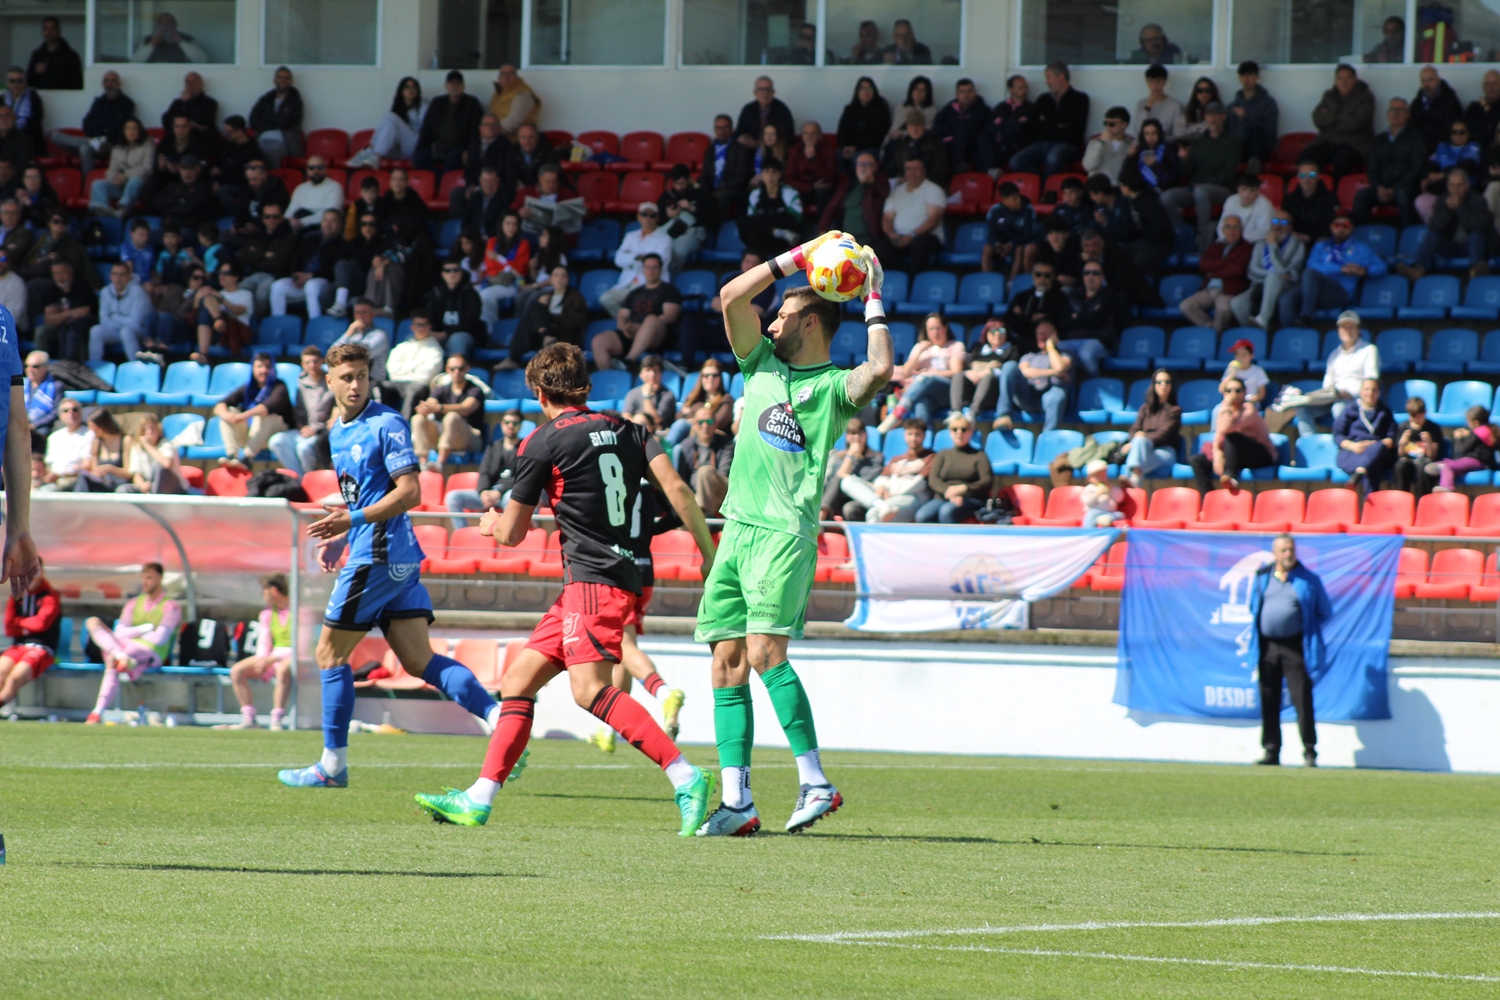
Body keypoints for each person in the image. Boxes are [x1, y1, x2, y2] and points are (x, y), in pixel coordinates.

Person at [413, 343, 717, 833]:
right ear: (586, 387)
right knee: (517, 683)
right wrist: (708, 552)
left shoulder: (542, 441)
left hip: (592, 582)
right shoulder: (631, 430)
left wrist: (489, 524)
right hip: (602, 580)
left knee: (591, 690)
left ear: (537, 391)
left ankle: (685, 775)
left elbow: (511, 533)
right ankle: (480, 797)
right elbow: (679, 491)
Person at [689, 231, 891, 836]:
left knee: (763, 653)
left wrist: (873, 296)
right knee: (726, 662)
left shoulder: (833, 389)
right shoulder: (759, 364)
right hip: (737, 531)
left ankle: (816, 782)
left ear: (811, 323)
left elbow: (880, 366)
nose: (772, 321)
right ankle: (738, 803)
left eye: (784, 314)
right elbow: (729, 296)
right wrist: (796, 259)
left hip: (784, 532)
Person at [279, 342, 502, 788]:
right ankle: (504, 723)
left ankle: (332, 767)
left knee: (329, 653)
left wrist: (353, 521)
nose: (356, 384)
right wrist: (342, 531)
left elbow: (410, 493)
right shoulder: (338, 431)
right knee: (421, 660)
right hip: (390, 555)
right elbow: (361, 495)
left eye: (361, 375)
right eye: (346, 377)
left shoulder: (387, 423)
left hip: (379, 555)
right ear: (329, 381)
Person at [1249, 535, 1332, 767]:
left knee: (1302, 699)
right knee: (1269, 698)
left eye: (1291, 550)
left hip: (1295, 646)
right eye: (1283, 550)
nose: (1288, 554)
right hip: (1267, 647)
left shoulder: (1308, 580)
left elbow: (1324, 611)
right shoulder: (1261, 577)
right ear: (1274, 553)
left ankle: (1309, 751)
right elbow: (1253, 607)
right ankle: (1271, 750)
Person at [82, 563, 180, 724]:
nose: (145, 582)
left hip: (151, 652)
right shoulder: (134, 603)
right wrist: (145, 628)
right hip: (125, 648)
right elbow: (119, 631)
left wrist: (131, 634)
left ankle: (97, 711)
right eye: (143, 577)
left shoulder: (171, 606)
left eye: (149, 577)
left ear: (160, 578)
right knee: (92, 622)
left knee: (113, 659)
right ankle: (123, 657)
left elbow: (160, 638)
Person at [1268, 310, 1379, 437]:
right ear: (1338, 331)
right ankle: (1312, 445)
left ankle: (1343, 446)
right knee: (1303, 409)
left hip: (1356, 399)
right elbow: (1328, 383)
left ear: (1358, 330)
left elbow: (1372, 381)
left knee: (1339, 409)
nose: (1347, 331)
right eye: (1344, 327)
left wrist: (1351, 393)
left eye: (1351, 327)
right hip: (1333, 397)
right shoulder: (1334, 354)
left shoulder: (1369, 350)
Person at [1276, 214, 1384, 328]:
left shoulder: (1361, 248)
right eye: (1337, 225)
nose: (1341, 228)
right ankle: (1290, 334)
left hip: (1340, 292)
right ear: (1332, 227)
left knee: (1309, 275)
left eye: (1345, 225)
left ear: (1352, 228)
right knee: (1286, 298)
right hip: (1313, 289)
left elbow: (1381, 266)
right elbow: (1311, 266)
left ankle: (1307, 316)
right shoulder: (1321, 246)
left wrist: (1365, 270)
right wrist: (1340, 269)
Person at [219, 573, 297, 731]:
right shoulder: (267, 613)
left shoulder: (298, 609)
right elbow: (265, 640)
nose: (263, 594)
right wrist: (262, 659)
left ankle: (277, 719)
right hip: (274, 656)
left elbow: (302, 644)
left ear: (274, 590)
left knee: (282, 670)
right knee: (237, 671)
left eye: (264, 590)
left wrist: (272, 659)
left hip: (296, 656)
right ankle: (249, 718)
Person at [1162, 101, 1240, 250]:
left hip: (1222, 189)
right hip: (1196, 188)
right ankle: (1185, 234)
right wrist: (1184, 159)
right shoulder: (1199, 142)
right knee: (1167, 197)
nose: (1212, 119)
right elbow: (1187, 172)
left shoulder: (1232, 141)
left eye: (1216, 115)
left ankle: (1203, 239)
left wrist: (1202, 184)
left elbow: (1228, 174)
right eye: (1209, 115)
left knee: (1201, 191)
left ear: (1223, 116)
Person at [592, 253, 682, 372]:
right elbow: (622, 315)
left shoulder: (669, 290)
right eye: (647, 267)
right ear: (643, 269)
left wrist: (642, 327)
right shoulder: (635, 292)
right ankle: (609, 376)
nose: (651, 271)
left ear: (660, 269)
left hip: (656, 336)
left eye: (654, 267)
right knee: (599, 341)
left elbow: (670, 316)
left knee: (651, 319)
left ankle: (628, 361)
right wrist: (625, 329)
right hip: (632, 334)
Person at [877, 313, 966, 431]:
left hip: (947, 391)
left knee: (926, 377)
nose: (935, 332)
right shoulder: (921, 347)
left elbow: (956, 372)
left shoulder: (955, 346)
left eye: (938, 328)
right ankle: (926, 440)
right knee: (921, 406)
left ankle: (898, 412)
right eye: (931, 329)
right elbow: (906, 373)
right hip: (925, 393)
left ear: (946, 328)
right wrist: (918, 352)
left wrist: (932, 373)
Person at [1402, 168, 1492, 281]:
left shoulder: (1478, 200)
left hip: (1471, 247)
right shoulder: (1442, 199)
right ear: (1448, 187)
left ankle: (1475, 271)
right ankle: (1417, 270)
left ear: (1467, 186)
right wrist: (1447, 210)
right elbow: (1434, 226)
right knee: (1432, 235)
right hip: (1450, 246)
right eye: (1452, 185)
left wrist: (1460, 208)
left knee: (1476, 235)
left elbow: (1478, 227)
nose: (1455, 189)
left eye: (1459, 185)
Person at [841, 418, 934, 523]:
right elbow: (882, 478)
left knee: (874, 512)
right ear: (905, 435)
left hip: (910, 498)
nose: (913, 438)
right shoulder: (897, 459)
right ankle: (880, 504)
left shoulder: (930, 458)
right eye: (910, 434)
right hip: (887, 497)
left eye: (917, 434)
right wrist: (882, 487)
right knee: (847, 481)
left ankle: (879, 513)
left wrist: (893, 493)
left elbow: (919, 483)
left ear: (924, 436)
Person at [1190, 378, 1275, 492]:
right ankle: (1208, 498)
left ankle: (1230, 476)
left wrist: (1227, 404)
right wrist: (1217, 452)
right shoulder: (1222, 411)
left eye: (1237, 390)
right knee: (1197, 460)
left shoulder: (1249, 410)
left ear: (1244, 393)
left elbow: (1228, 429)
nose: (1233, 394)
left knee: (1232, 436)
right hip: (1234, 456)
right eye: (1229, 391)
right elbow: (1218, 433)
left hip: (1260, 454)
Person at [215, 351, 294, 470]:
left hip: (274, 436)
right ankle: (232, 456)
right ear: (253, 368)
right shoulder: (248, 387)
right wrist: (227, 415)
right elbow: (220, 405)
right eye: (259, 366)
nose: (264, 371)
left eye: (268, 367)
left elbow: (265, 409)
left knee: (263, 415)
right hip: (252, 435)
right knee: (229, 411)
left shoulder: (280, 386)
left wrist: (242, 416)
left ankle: (247, 459)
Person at [445, 409, 524, 529]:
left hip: (507, 493)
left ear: (520, 426)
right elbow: (484, 472)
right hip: (489, 493)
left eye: (515, 423)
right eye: (507, 422)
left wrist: (499, 492)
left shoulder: (525, 448)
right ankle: (462, 534)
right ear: (502, 424)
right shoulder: (493, 447)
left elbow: (522, 477)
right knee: (453, 497)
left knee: (512, 497)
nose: (510, 426)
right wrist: (483, 492)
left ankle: (506, 535)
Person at [0, 558, 61, 710]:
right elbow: (9, 627)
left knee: (14, 678)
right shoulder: (17, 596)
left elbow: (41, 625)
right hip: (18, 647)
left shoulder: (50, 597)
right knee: (1, 672)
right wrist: (28, 624)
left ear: (42, 572)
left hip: (42, 648)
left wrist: (20, 622)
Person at [1354, 98, 1424, 227]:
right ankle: (1359, 238)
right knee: (1362, 195)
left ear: (1408, 115)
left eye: (1400, 110)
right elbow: (1372, 168)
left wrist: (1394, 189)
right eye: (1392, 109)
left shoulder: (1416, 137)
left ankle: (1407, 237)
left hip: (1406, 187)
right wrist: (1379, 187)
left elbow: (1416, 169)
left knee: (1402, 195)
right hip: (1383, 189)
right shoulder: (1379, 139)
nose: (1395, 113)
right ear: (1387, 114)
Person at [1010, 62, 1088, 178]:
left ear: (1060, 77)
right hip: (1042, 143)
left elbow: (1075, 127)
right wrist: (1057, 123)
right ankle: (1043, 186)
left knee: (1053, 158)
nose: (1046, 82)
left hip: (1068, 145)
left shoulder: (1080, 99)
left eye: (1048, 77)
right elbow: (1033, 124)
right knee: (1015, 161)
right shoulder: (1043, 99)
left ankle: (1048, 192)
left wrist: (1046, 119)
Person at [995, 318, 1072, 433]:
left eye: (1046, 333)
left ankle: (1048, 437)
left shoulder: (1065, 354)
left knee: (1057, 396)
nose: (1042, 336)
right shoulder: (1029, 356)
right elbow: (1024, 371)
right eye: (1039, 333)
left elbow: (1060, 367)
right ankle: (1003, 415)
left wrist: (1050, 346)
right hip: (1028, 395)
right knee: (1009, 366)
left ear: (1054, 334)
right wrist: (1052, 372)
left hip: (1049, 397)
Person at [1231, 209, 1303, 330]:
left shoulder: (1296, 244)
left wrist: (1272, 245)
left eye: (1284, 222)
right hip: (1259, 286)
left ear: (1290, 227)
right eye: (1275, 221)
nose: (1278, 225)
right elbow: (1251, 271)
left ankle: (1263, 320)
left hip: (1286, 286)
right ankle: (1255, 332)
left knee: (1274, 277)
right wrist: (1271, 275)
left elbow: (1282, 269)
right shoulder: (1260, 244)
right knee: (1236, 303)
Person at [1180, 214, 1251, 333]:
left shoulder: (1247, 247)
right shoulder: (1216, 246)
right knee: (1186, 306)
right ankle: (1211, 330)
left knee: (1223, 308)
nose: (1231, 231)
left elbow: (1237, 269)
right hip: (1209, 289)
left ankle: (1216, 338)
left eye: (1235, 227)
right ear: (1223, 230)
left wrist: (1213, 273)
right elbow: (1204, 265)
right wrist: (1227, 262)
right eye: (1228, 227)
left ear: (1242, 230)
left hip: (1229, 290)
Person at [598, 203, 673, 316]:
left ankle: (636, 327)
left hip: (649, 285)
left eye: (652, 215)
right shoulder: (630, 236)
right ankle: (628, 326)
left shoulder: (665, 239)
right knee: (606, 299)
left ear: (657, 218)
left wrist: (631, 256)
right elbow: (618, 260)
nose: (648, 218)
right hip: (627, 283)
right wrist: (637, 257)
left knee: (639, 306)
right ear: (638, 216)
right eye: (644, 214)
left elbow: (657, 262)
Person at [269, 345, 333, 476]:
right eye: (308, 362)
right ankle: (301, 479)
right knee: (277, 441)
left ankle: (308, 480)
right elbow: (298, 412)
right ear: (303, 364)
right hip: (303, 430)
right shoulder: (300, 385)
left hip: (322, 433)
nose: (312, 365)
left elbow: (333, 414)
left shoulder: (331, 384)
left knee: (303, 449)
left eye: (315, 361)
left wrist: (315, 430)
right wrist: (303, 427)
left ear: (322, 361)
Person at [411, 354, 484, 469]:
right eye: (452, 369)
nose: (456, 372)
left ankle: (440, 464)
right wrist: (425, 408)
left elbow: (465, 408)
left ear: (467, 368)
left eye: (460, 368)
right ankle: (423, 463)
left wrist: (439, 408)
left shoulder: (475, 390)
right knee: (417, 419)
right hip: (444, 435)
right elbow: (431, 403)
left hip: (470, 437)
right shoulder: (441, 389)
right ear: (447, 370)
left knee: (452, 417)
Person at [1303, 64, 1376, 178]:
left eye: (1348, 78)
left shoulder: (1365, 97)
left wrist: (1330, 118)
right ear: (1335, 80)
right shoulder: (1329, 95)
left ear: (1355, 80)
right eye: (1340, 78)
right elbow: (1317, 119)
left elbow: (1355, 124)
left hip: (1354, 145)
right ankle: (1317, 183)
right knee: (1305, 158)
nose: (1344, 82)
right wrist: (1344, 117)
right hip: (1328, 141)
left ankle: (1338, 191)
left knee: (1341, 162)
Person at [506, 264, 585, 366]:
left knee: (536, 308)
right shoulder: (546, 297)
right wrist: (541, 307)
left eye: (563, 276)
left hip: (563, 335)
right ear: (551, 279)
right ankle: (545, 334)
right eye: (556, 275)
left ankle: (513, 358)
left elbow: (575, 320)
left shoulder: (575, 296)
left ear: (567, 279)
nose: (559, 278)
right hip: (544, 337)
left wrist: (549, 316)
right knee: (534, 307)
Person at [271, 209, 344, 319]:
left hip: (322, 281)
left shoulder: (343, 245)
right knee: (278, 286)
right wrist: (296, 275)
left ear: (339, 224)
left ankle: (314, 323)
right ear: (321, 222)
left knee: (312, 285)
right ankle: (278, 322)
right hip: (301, 280)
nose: (328, 224)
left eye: (333, 221)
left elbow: (333, 272)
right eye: (325, 220)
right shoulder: (310, 238)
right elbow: (295, 259)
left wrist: (310, 276)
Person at [916, 414, 989, 523]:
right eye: (955, 429)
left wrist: (964, 489)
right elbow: (933, 479)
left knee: (947, 512)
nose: (959, 432)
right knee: (922, 516)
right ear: (950, 432)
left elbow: (986, 481)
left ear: (970, 432)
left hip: (970, 499)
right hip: (944, 497)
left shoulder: (979, 455)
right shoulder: (943, 454)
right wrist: (949, 492)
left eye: (963, 429)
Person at [878, 157, 945, 273]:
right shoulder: (896, 191)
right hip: (899, 237)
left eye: (916, 169)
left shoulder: (934, 190)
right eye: (908, 169)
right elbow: (887, 218)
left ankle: (914, 280)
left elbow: (934, 219)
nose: (912, 173)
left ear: (924, 171)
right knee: (879, 249)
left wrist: (911, 235)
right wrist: (892, 235)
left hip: (925, 236)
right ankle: (904, 277)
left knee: (920, 245)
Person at [1332, 378, 1396, 493]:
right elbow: (1337, 434)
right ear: (1361, 392)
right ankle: (1363, 470)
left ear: (1379, 393)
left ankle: (1361, 470)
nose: (1370, 393)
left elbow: (1390, 439)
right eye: (1366, 389)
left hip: (1377, 451)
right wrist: (1352, 446)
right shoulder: (1350, 409)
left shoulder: (1385, 411)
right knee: (1372, 467)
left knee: (1377, 451)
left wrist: (1373, 446)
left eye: (1374, 390)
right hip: (1353, 452)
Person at [1120, 369, 1181, 487]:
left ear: (1171, 385)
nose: (1163, 385)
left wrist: (1143, 438)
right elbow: (1134, 430)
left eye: (1167, 382)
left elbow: (1164, 435)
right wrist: (1136, 440)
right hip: (1143, 450)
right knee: (1138, 446)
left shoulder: (1175, 410)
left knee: (1139, 445)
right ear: (1154, 385)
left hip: (1165, 452)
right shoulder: (1145, 408)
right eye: (1159, 382)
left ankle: (1132, 480)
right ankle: (1135, 480)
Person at [1413, 119, 1482, 222]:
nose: (1458, 135)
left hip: (1465, 192)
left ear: (1468, 133)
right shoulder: (1442, 146)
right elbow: (1431, 165)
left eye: (1462, 132)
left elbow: (1468, 167)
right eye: (1454, 132)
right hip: (1443, 192)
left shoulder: (1472, 146)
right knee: (1421, 201)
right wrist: (1425, 178)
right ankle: (1439, 230)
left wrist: (1442, 175)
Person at [348, 76, 427, 166]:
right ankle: (371, 152)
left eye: (413, 87)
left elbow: (425, 131)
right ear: (401, 90)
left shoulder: (423, 106)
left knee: (390, 117)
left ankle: (372, 154)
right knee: (389, 123)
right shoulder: (398, 107)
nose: (411, 90)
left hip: (414, 145)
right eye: (407, 87)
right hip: (398, 150)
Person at [416, 70, 484, 173]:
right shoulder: (437, 102)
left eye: (458, 83)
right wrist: (420, 149)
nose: (454, 86)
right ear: (446, 86)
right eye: (451, 83)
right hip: (438, 146)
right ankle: (440, 180)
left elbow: (476, 132)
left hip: (460, 147)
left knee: (453, 158)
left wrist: (470, 150)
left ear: (463, 86)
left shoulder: (472, 103)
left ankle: (443, 183)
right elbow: (426, 129)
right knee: (418, 158)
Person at [380, 310, 444, 419]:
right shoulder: (401, 347)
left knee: (412, 391)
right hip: (397, 382)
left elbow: (426, 375)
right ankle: (377, 423)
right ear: (412, 327)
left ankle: (403, 428)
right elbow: (392, 369)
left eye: (424, 325)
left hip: (418, 385)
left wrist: (405, 368)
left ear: (430, 327)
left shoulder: (436, 350)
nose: (421, 328)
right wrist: (414, 368)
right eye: (418, 325)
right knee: (379, 386)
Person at [675, 403, 735, 517]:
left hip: (721, 493)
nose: (705, 426)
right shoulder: (685, 446)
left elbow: (724, 474)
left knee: (705, 471)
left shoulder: (726, 444)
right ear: (694, 424)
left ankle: (704, 516)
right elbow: (682, 480)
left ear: (716, 424)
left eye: (710, 422)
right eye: (700, 422)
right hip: (693, 497)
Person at [739, 156, 804, 259]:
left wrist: (767, 221)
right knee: (744, 223)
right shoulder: (755, 194)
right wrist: (773, 228)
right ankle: (776, 233)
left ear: (780, 174)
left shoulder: (790, 193)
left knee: (758, 229)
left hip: (784, 240)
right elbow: (750, 222)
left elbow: (795, 222)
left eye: (774, 172)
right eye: (767, 172)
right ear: (762, 175)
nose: (770, 176)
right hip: (762, 238)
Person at [87, 116, 152, 217]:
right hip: (120, 186)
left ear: (140, 130)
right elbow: (111, 171)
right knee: (97, 184)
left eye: (134, 128)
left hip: (140, 187)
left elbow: (147, 168)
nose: (131, 131)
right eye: (128, 128)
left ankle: (122, 211)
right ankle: (103, 212)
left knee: (135, 180)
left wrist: (125, 175)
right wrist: (115, 178)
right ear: (123, 131)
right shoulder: (117, 149)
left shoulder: (148, 145)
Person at [950, 319, 1017, 417]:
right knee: (959, 375)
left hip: (993, 392)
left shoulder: (1012, 350)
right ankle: (955, 412)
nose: (997, 334)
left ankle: (973, 414)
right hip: (972, 388)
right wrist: (969, 372)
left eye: (1001, 331)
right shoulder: (977, 348)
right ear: (987, 333)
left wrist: (989, 371)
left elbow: (1010, 372)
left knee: (988, 377)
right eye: (993, 331)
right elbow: (967, 366)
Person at [1424, 405, 1498, 493]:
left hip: (1476, 461)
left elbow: (1461, 451)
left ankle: (1447, 486)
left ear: (1476, 423)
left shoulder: (1478, 433)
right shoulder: (1491, 430)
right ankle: (1441, 467)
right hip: (1483, 463)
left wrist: (1459, 438)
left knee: (1447, 465)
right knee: (1448, 464)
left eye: (1469, 423)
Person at [821, 418, 884, 521]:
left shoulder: (875, 457)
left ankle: (821, 519)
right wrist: (849, 455)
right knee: (836, 480)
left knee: (849, 508)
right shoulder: (839, 457)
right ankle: (821, 520)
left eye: (860, 433)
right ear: (847, 437)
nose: (856, 438)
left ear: (866, 435)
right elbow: (834, 480)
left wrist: (850, 455)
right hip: (838, 497)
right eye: (852, 434)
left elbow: (863, 481)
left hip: (861, 497)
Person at [190, 260, 252, 363]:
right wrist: (197, 298)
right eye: (220, 273)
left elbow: (237, 311)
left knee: (208, 299)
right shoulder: (216, 294)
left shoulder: (246, 294)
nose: (221, 276)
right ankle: (217, 321)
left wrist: (221, 299)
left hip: (235, 332)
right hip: (215, 332)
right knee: (206, 300)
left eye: (225, 273)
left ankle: (203, 352)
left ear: (236, 277)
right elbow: (196, 316)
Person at [34, 260, 96, 362]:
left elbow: (85, 311)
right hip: (61, 325)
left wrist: (60, 314)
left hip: (81, 327)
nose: (59, 277)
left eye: (62, 272)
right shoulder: (53, 289)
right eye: (56, 274)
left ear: (71, 271)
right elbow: (48, 319)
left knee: (71, 328)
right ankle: (41, 365)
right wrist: (70, 313)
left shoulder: (81, 286)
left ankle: (71, 366)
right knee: (41, 332)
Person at [88, 261, 150, 362]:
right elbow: (104, 320)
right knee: (96, 330)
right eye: (115, 274)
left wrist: (115, 316)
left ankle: (136, 365)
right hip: (115, 330)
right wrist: (120, 320)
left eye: (122, 274)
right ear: (110, 276)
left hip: (138, 331)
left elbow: (135, 322)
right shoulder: (105, 292)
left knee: (126, 331)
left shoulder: (137, 291)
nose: (118, 278)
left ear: (129, 276)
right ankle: (95, 367)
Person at [424, 258, 483, 359]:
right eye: (448, 270)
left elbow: (470, 322)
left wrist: (446, 334)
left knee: (457, 339)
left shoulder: (470, 294)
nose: (452, 273)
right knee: (415, 337)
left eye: (456, 270)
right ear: (443, 274)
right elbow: (429, 316)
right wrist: (431, 332)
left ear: (461, 273)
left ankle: (456, 371)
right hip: (439, 334)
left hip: (465, 334)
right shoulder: (435, 293)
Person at [249, 66, 303, 167]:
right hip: (260, 138)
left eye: (286, 78)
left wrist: (265, 117)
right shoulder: (266, 98)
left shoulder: (295, 100)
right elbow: (253, 120)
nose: (283, 80)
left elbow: (285, 122)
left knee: (272, 150)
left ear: (291, 81)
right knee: (246, 150)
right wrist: (276, 121)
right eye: (280, 77)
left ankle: (273, 179)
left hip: (284, 142)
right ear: (274, 80)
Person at [1228, 61, 1278, 170]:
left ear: (1257, 77)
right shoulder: (1232, 105)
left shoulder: (1268, 103)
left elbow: (1269, 130)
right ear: (1239, 78)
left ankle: (1254, 164)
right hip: (1237, 148)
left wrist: (1247, 117)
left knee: (1255, 130)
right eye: (1243, 75)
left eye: (1250, 74)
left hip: (1260, 148)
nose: (1246, 79)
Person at [981, 181, 1037, 278]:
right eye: (1014, 198)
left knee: (1019, 250)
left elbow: (1028, 234)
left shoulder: (1028, 209)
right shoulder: (995, 211)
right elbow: (991, 233)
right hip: (1001, 246)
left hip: (1018, 244)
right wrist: (997, 244)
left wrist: (1011, 245)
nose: (1018, 200)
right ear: (1004, 200)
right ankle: (987, 279)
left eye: (1018, 196)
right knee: (987, 248)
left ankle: (1012, 282)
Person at [934, 78, 990, 173]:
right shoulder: (947, 110)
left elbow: (982, 129)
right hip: (950, 147)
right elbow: (936, 130)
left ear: (975, 93)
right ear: (957, 94)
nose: (966, 95)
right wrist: (956, 127)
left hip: (973, 147)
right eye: (962, 92)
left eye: (969, 91)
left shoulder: (983, 110)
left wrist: (958, 127)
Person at [836, 77, 891, 171]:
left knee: (858, 159)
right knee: (836, 156)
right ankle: (844, 183)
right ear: (857, 91)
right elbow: (841, 132)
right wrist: (845, 147)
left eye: (869, 88)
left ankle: (857, 184)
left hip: (872, 148)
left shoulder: (881, 109)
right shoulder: (849, 109)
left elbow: (878, 135)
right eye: (862, 88)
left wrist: (856, 148)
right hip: (850, 147)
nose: (866, 91)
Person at [786, 121, 838, 221]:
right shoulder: (795, 150)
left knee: (824, 190)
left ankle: (823, 229)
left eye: (813, 133)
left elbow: (830, 177)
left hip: (822, 189)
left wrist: (812, 159)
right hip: (803, 187)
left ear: (819, 136)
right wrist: (810, 187)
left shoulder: (828, 148)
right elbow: (788, 178)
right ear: (802, 136)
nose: (809, 136)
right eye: (806, 133)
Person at [330, 298, 390, 382]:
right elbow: (332, 354)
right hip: (352, 380)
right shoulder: (352, 335)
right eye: (357, 313)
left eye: (364, 312)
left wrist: (344, 352)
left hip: (373, 382)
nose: (360, 316)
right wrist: (348, 333)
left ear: (373, 314)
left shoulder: (380, 335)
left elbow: (362, 355)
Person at [1282, 160, 1339, 247]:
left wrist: (1310, 237)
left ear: (1318, 177)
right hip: (1295, 239)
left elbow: (1333, 225)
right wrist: (1294, 235)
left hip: (1320, 239)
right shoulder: (1289, 199)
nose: (1306, 179)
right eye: (1303, 175)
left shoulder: (1330, 199)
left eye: (1311, 175)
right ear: (1298, 178)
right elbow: (1284, 222)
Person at [1392, 396, 1442, 495]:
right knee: (1400, 466)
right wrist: (1402, 443)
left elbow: (1432, 456)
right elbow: (1400, 454)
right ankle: (1402, 499)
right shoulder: (1403, 427)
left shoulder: (1433, 428)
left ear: (1425, 413)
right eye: (1412, 416)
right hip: (1408, 460)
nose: (1415, 420)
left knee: (1423, 467)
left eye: (1418, 416)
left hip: (1424, 460)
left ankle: (1423, 502)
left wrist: (1429, 443)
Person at [1411, 64, 1464, 155]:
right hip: (1420, 148)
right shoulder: (1418, 101)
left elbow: (1450, 130)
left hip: (1443, 150)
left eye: (1430, 80)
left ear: (1438, 80)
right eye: (1423, 81)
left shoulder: (1450, 100)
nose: (1427, 84)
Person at [39, 397, 89, 491]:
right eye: (66, 410)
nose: (71, 413)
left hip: (76, 481)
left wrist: (61, 474)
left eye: (75, 410)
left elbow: (87, 466)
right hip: (54, 482)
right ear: (60, 415)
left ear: (81, 413)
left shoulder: (89, 434)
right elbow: (48, 465)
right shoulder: (54, 437)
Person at [735, 76, 794, 149]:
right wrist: (741, 139)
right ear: (755, 93)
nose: (765, 93)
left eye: (768, 89)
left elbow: (788, 136)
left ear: (773, 92)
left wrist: (760, 144)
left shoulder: (782, 109)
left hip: (774, 149)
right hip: (750, 150)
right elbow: (739, 132)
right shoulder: (748, 109)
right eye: (761, 89)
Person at [286, 157, 343, 231]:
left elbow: (329, 215)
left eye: (319, 167)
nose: (316, 171)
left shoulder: (335, 187)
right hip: (297, 225)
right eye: (311, 168)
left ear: (325, 169)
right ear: (307, 170)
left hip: (321, 227)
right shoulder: (300, 188)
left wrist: (301, 222)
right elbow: (290, 211)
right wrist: (286, 222)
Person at [622, 354, 676, 430]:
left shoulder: (668, 394)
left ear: (661, 374)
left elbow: (655, 420)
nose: (652, 374)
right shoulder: (633, 393)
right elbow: (626, 415)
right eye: (648, 370)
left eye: (655, 370)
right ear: (641, 374)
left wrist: (647, 396)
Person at [26, 17, 81, 90]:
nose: (49, 32)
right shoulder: (37, 55)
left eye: (52, 29)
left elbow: (77, 84)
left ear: (59, 31)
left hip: (65, 98)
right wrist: (35, 72)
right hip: (42, 97)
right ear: (42, 31)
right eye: (46, 29)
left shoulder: (71, 56)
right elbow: (28, 82)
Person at [488, 64, 542, 137]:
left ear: (516, 77)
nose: (506, 77)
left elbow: (513, 121)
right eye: (503, 74)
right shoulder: (498, 93)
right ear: (499, 78)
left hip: (516, 141)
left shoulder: (523, 93)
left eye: (511, 73)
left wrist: (491, 133)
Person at [1082, 107, 1134, 183]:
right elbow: (1088, 166)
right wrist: (1100, 143)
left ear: (1124, 125)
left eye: (1112, 124)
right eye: (1105, 123)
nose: (1108, 126)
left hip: (1118, 187)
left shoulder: (1131, 145)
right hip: (1096, 186)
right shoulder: (1095, 142)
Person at [1218, 174, 1274, 244]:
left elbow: (1263, 231)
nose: (1247, 194)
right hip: (1228, 240)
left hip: (1252, 243)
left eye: (1252, 190)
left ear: (1258, 191)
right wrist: (1226, 238)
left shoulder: (1265, 205)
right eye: (1244, 189)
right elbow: (1222, 225)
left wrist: (1238, 240)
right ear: (1238, 189)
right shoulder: (1231, 200)